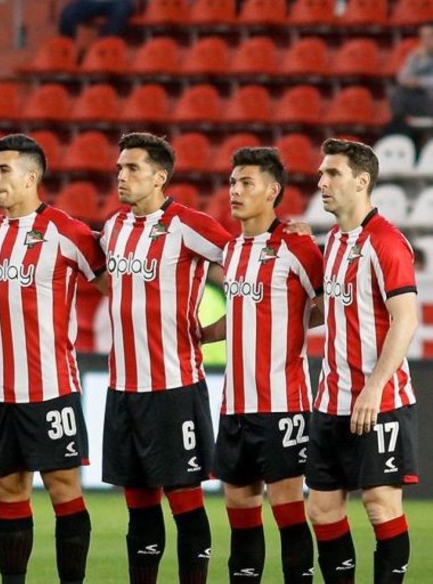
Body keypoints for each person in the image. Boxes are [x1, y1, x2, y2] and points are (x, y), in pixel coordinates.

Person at [0, 134, 106, 584]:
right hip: (0, 391)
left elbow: (114, 284)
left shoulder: (66, 231)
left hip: (51, 387)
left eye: (4, 170)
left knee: (63, 488)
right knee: (8, 489)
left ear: (31, 177)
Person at [100, 132, 232, 584]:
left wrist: (214, 331)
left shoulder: (188, 225)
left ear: (159, 177)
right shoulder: (114, 228)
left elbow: (253, 267)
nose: (121, 176)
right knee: (139, 504)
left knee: (184, 500)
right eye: (119, 168)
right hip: (123, 390)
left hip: (174, 390)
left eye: (132, 168)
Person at [200, 147, 322, 583]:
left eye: (246, 183)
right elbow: (241, 315)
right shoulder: (232, 251)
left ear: (272, 191)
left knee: (287, 510)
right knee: (240, 511)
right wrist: (200, 333)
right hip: (234, 405)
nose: (235, 191)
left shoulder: (295, 245)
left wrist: (294, 319)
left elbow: (331, 301)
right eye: (233, 182)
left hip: (282, 403)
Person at [307, 138, 418, 583]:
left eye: (333, 173)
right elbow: (330, 310)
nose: (322, 181)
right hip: (330, 400)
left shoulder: (387, 242)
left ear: (362, 181)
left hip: (379, 401)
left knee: (380, 505)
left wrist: (374, 387)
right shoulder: (334, 240)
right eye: (321, 173)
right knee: (322, 508)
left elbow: (405, 319)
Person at [390, 22, 433, 122]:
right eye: (423, 37)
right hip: (420, 97)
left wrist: (419, 82)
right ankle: (399, 124)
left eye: (430, 36)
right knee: (399, 92)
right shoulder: (416, 55)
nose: (426, 40)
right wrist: (415, 59)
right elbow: (401, 77)